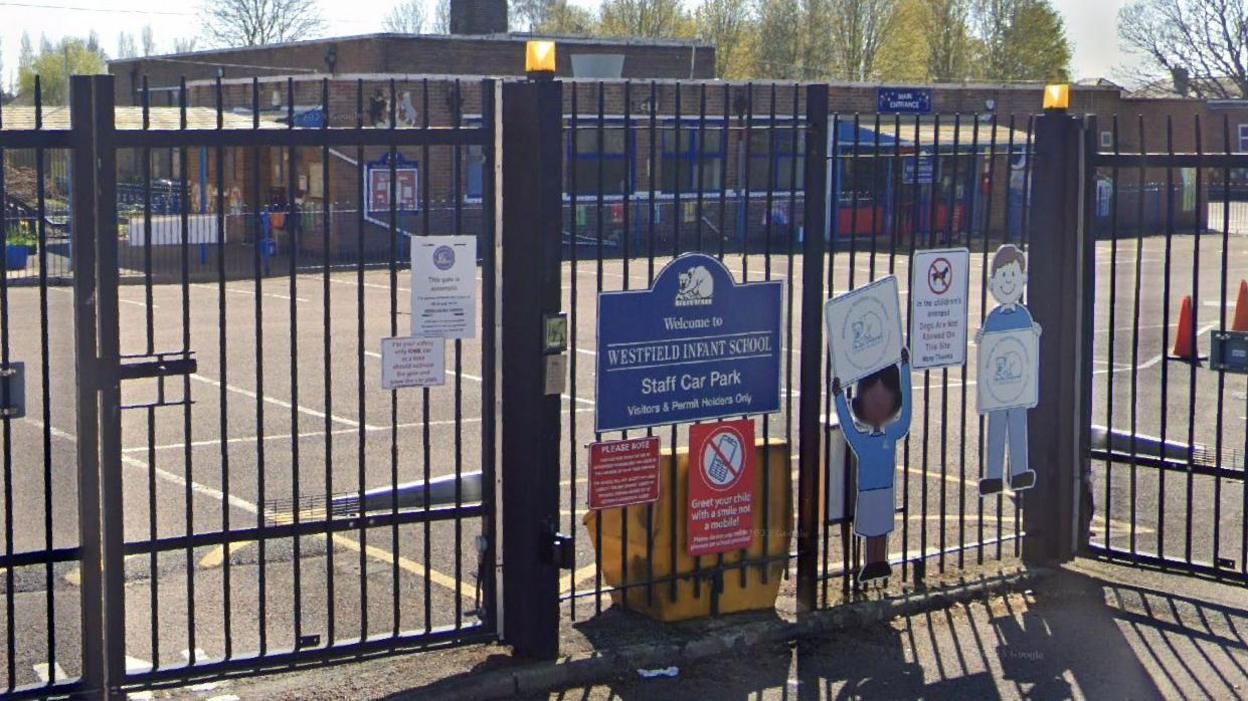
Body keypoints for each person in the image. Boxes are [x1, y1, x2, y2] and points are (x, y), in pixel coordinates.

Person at [832, 348, 912, 583]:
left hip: (884, 490)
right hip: (868, 492)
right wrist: (839, 397)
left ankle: (879, 561)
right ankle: (872, 562)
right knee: (871, 528)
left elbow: (906, 413)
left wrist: (905, 370)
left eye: (885, 398)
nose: (878, 404)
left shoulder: (892, 433)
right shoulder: (862, 440)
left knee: (881, 528)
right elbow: (847, 425)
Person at [977, 244, 1041, 495]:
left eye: (1012, 275)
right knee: (996, 431)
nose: (1008, 281)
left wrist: (1034, 333)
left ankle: (1019, 472)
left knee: (1017, 428)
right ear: (994, 282)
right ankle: (993, 475)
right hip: (996, 387)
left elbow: (1027, 347)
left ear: (1022, 279)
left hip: (1017, 387)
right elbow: (987, 351)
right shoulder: (993, 319)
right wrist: (981, 338)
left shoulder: (1023, 317)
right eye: (1004, 276)